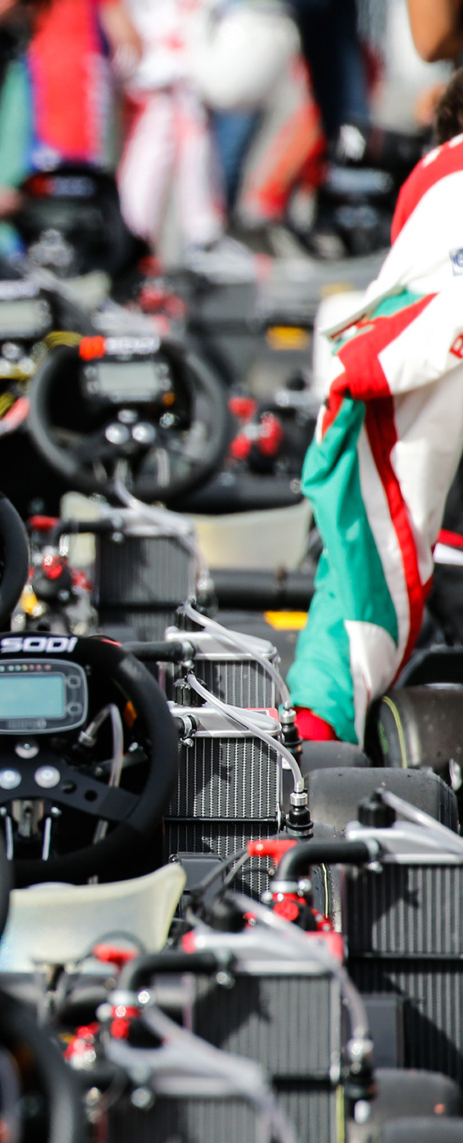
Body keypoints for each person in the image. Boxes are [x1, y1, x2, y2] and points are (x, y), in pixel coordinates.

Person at [286, 73, 463, 747]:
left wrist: (320, 725)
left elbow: (375, 534)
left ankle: (322, 722)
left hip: (419, 359)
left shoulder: (443, 179)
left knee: (370, 526)